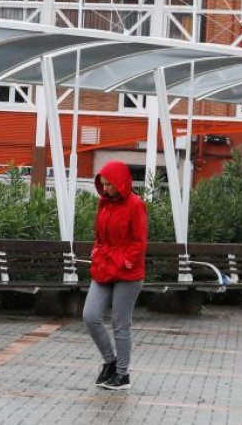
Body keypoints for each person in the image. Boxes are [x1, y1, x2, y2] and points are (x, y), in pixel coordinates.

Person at [83, 161, 147, 391]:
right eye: (103, 184)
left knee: (120, 325)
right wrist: (96, 251)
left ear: (120, 183)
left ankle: (122, 374)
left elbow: (139, 241)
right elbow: (99, 236)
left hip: (127, 273)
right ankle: (110, 362)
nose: (105, 188)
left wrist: (124, 261)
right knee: (90, 316)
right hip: (104, 268)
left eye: (109, 184)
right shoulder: (104, 203)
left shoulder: (136, 205)